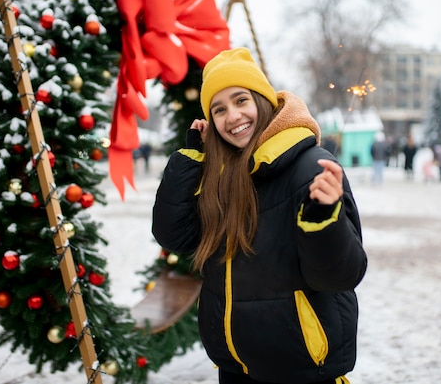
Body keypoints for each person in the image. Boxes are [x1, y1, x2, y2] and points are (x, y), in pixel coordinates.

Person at [152, 47, 367, 384]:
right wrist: (192, 158)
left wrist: (322, 219)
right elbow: (174, 236)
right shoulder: (221, 174)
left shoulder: (310, 167)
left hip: (301, 370)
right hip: (236, 368)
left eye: (241, 101)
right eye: (219, 109)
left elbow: (339, 276)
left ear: (262, 102)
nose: (232, 116)